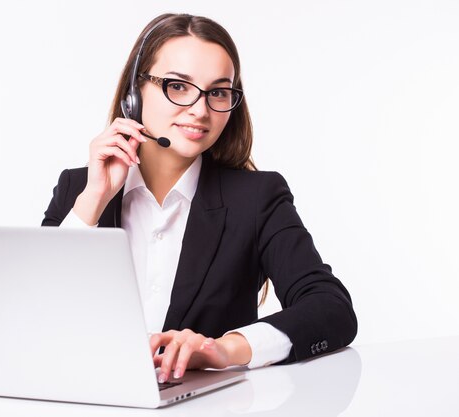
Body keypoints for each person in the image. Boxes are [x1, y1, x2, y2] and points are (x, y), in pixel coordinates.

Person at [42, 13, 357, 384]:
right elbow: (31, 315)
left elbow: (330, 308)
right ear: (133, 93)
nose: (200, 110)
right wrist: (92, 202)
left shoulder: (256, 199)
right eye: (178, 86)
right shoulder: (77, 189)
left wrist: (224, 349)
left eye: (218, 92)